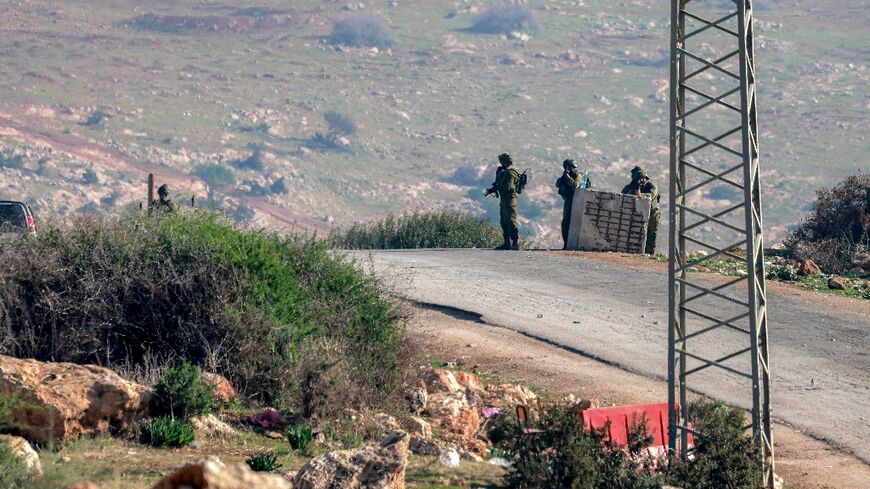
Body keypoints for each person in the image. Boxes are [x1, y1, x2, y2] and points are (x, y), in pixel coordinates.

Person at [485, 153, 521, 250]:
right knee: (504, 222)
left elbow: (508, 187)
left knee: (511, 221)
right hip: (504, 200)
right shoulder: (503, 172)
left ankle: (515, 242)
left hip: (510, 201)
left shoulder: (510, 173)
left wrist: (498, 185)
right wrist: (493, 188)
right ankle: (507, 243)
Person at [621, 166, 659, 254]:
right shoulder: (631, 186)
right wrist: (633, 189)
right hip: (636, 213)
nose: (641, 181)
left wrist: (638, 191)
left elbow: (648, 197)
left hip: (652, 213)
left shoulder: (651, 186)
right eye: (638, 179)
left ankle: (649, 253)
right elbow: (622, 196)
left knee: (651, 233)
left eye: (642, 179)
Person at [555, 159, 592, 250]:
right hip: (569, 201)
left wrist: (567, 176)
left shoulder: (578, 176)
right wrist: (564, 177)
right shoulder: (567, 175)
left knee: (574, 222)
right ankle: (566, 243)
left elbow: (575, 185)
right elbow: (558, 184)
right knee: (566, 223)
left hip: (576, 202)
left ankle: (574, 244)